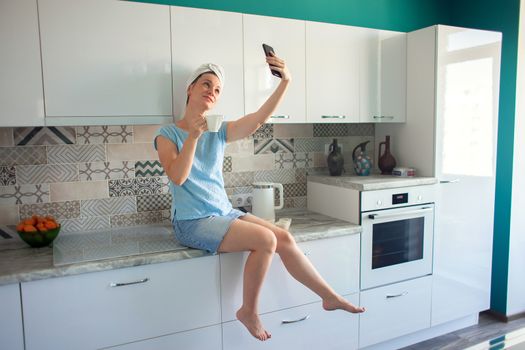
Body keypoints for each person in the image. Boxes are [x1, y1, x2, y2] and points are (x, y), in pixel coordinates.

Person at [154, 54, 365, 341]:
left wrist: (286, 82)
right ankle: (248, 312)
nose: (211, 92)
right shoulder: (167, 134)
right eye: (205, 84)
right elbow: (177, 176)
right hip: (192, 221)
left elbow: (257, 120)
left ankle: (329, 297)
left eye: (217, 90)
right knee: (266, 240)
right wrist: (192, 136)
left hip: (223, 212)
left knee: (284, 237)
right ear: (190, 89)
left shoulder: (218, 131)